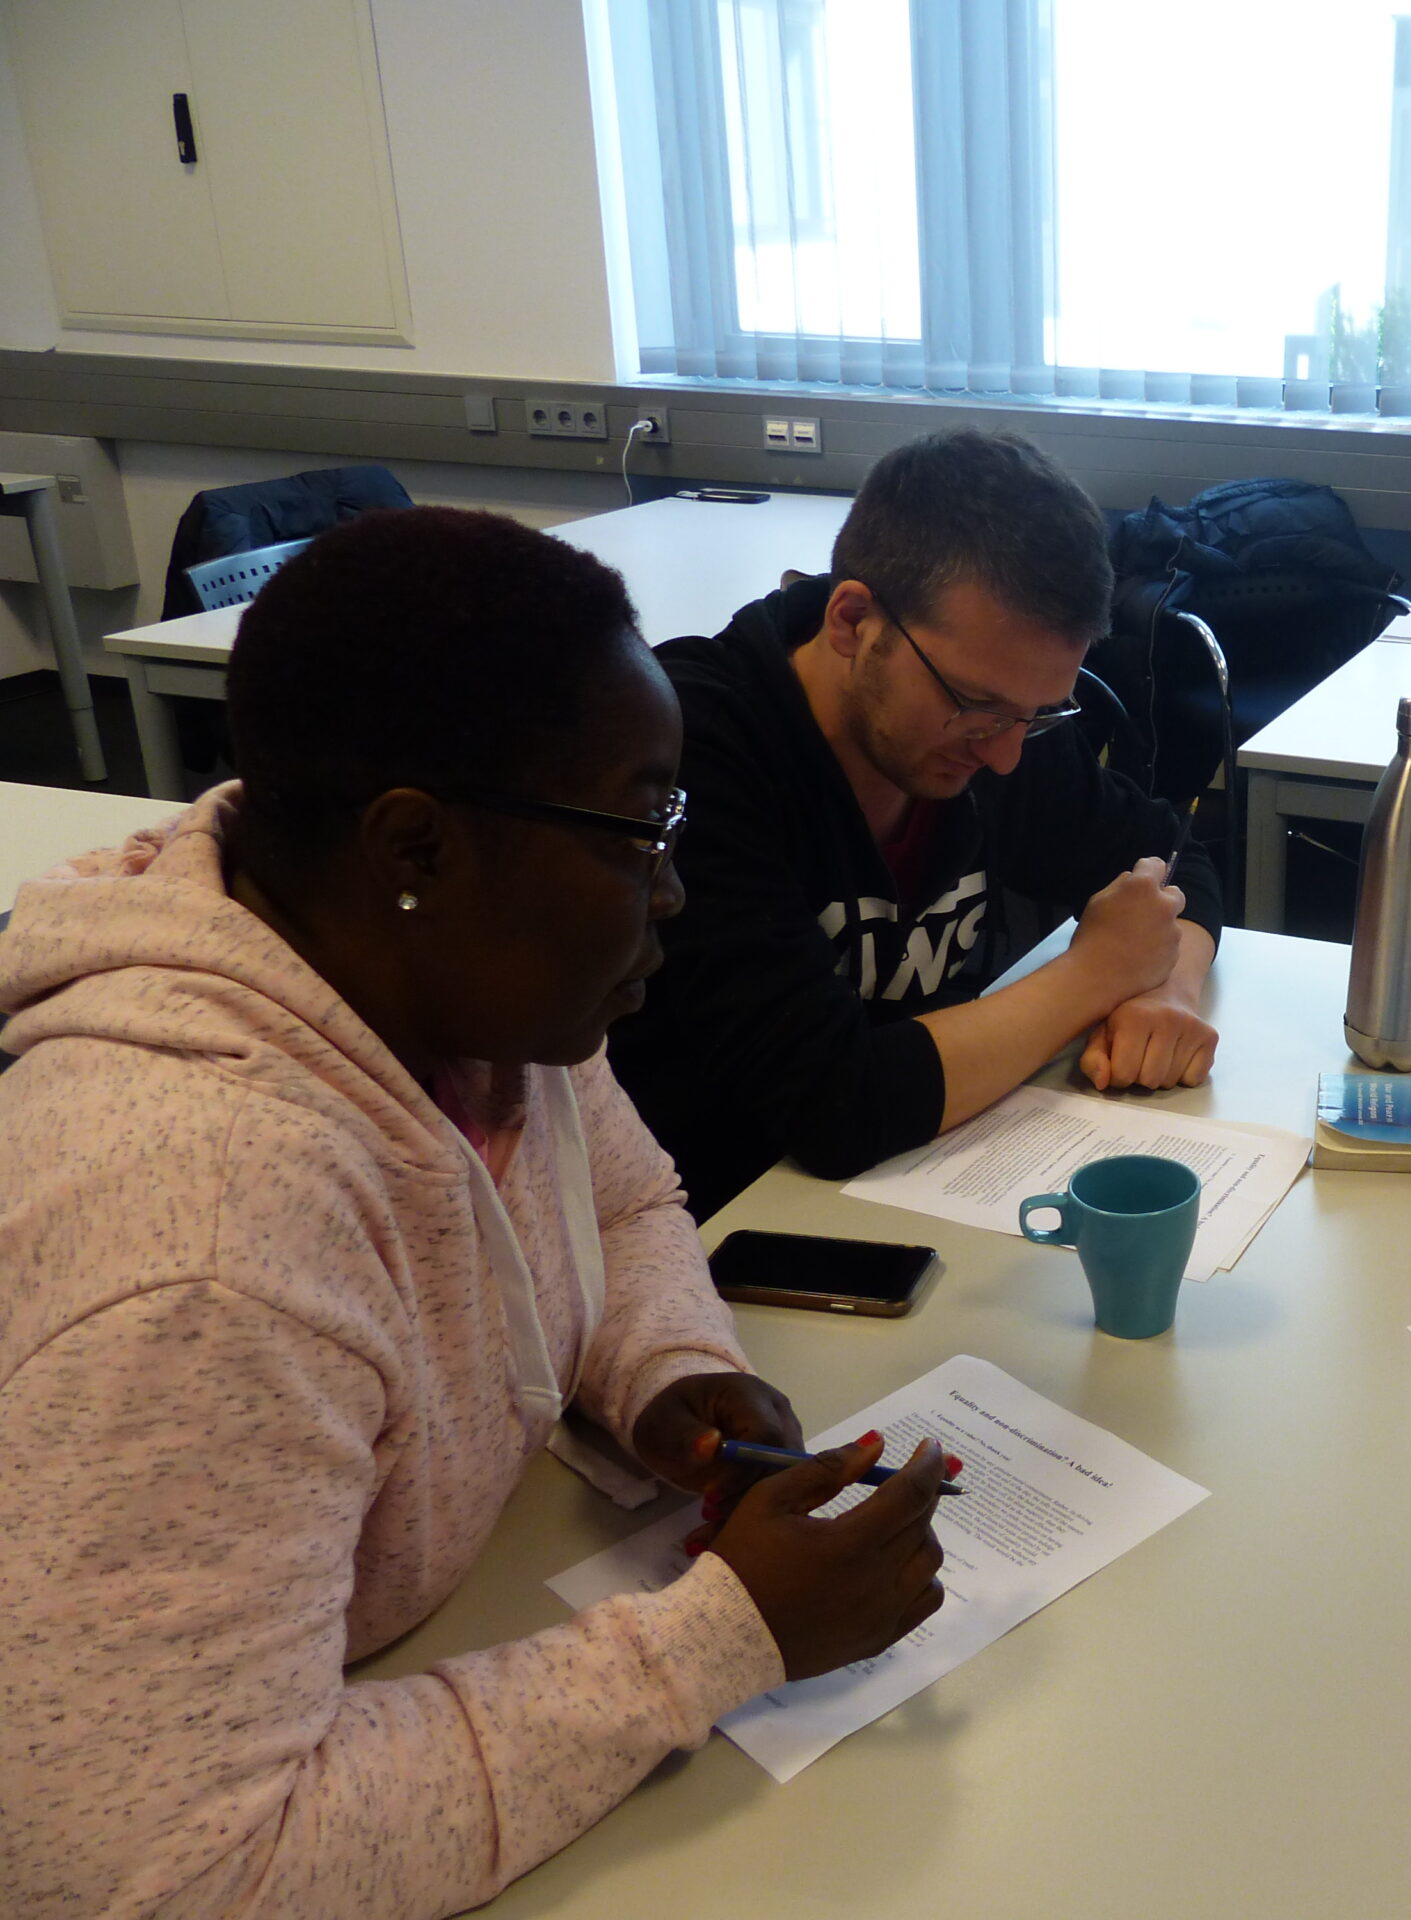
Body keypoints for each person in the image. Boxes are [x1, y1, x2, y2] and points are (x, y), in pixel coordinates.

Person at [0, 508, 948, 1917]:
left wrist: (669, 1372)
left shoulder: (454, 991)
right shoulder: (207, 1248)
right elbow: (166, 1871)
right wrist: (720, 1639)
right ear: (419, 849)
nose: (672, 890)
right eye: (638, 829)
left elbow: (621, 1203)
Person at [609, 429, 1223, 1217]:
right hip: (723, 1233)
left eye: (1036, 716)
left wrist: (1165, 987)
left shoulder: (998, 713)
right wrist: (1095, 976)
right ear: (853, 621)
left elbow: (1178, 857)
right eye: (975, 709)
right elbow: (834, 1107)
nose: (1005, 757)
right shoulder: (693, 753)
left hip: (923, 1188)